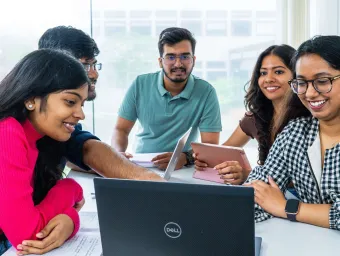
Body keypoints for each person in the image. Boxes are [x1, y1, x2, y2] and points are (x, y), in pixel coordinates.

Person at [38, 26, 162, 179]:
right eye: (85, 65)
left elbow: (83, 147)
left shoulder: (60, 120)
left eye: (94, 65)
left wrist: (114, 164)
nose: (94, 73)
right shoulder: (13, 129)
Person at [245, 35, 340, 230]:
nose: (310, 93)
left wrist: (286, 207)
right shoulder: (295, 132)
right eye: (302, 83)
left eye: (322, 81)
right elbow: (259, 192)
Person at [0, 49, 88, 255]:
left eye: (82, 104)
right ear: (31, 99)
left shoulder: (37, 138)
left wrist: (69, 221)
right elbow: (27, 237)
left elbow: (35, 214)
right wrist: (71, 188)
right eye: (70, 101)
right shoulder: (6, 133)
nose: (81, 114)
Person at [111, 27, 222, 170]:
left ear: (193, 60)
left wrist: (184, 158)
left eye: (185, 56)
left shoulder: (206, 92)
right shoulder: (140, 84)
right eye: (171, 57)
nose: (178, 64)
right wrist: (118, 154)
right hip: (142, 165)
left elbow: (210, 146)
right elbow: (121, 129)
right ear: (160, 61)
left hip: (183, 167)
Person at [194, 44, 296, 185]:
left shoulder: (309, 120)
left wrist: (249, 174)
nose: (268, 79)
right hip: (265, 193)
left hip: (297, 198)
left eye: (278, 72)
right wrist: (204, 160)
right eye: (263, 73)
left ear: (297, 75)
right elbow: (222, 152)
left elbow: (304, 179)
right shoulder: (256, 117)